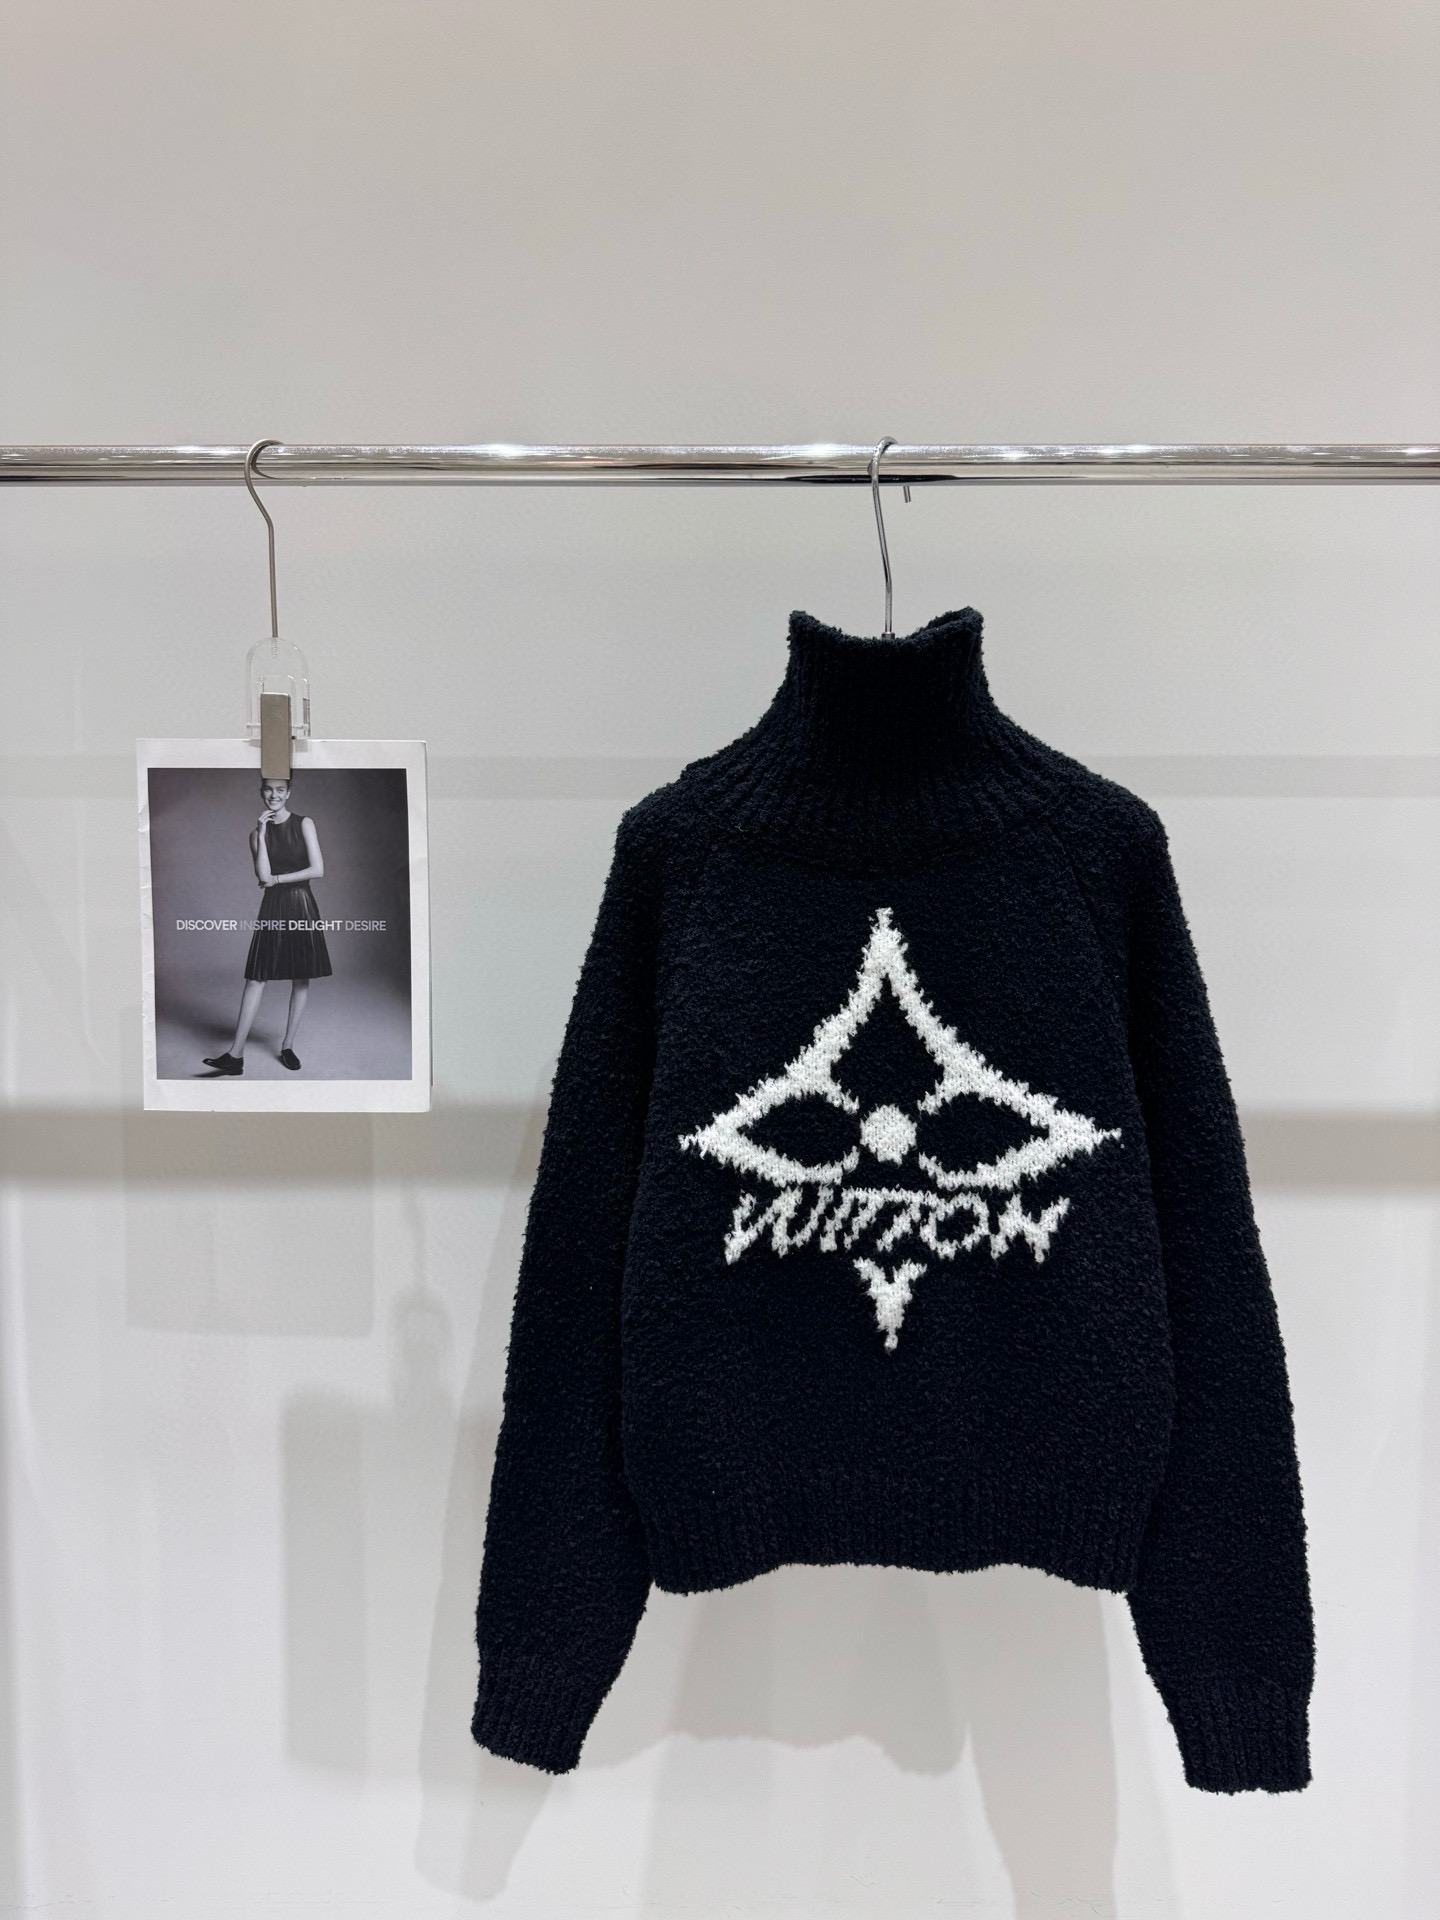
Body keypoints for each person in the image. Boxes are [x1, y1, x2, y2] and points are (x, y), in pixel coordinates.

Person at [203, 775, 332, 1075]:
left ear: (288, 793)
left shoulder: (304, 824)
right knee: (256, 977)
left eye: (280, 790)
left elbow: (318, 869)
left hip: (301, 904)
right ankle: (235, 1055)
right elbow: (263, 876)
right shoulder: (255, 834)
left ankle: (287, 1046)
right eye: (269, 790)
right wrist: (262, 835)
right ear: (262, 792)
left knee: (301, 977)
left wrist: (278, 879)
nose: (274, 795)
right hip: (272, 906)